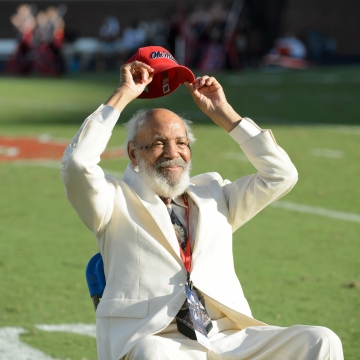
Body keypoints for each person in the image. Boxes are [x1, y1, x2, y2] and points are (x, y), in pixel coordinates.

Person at [61, 56, 344, 359]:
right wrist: (122, 96)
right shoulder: (112, 200)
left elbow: (282, 175)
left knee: (320, 340)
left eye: (181, 142)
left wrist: (224, 113)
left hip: (228, 338)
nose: (173, 152)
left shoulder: (213, 194)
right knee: (153, 354)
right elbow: (78, 163)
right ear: (133, 153)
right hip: (157, 338)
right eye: (158, 143)